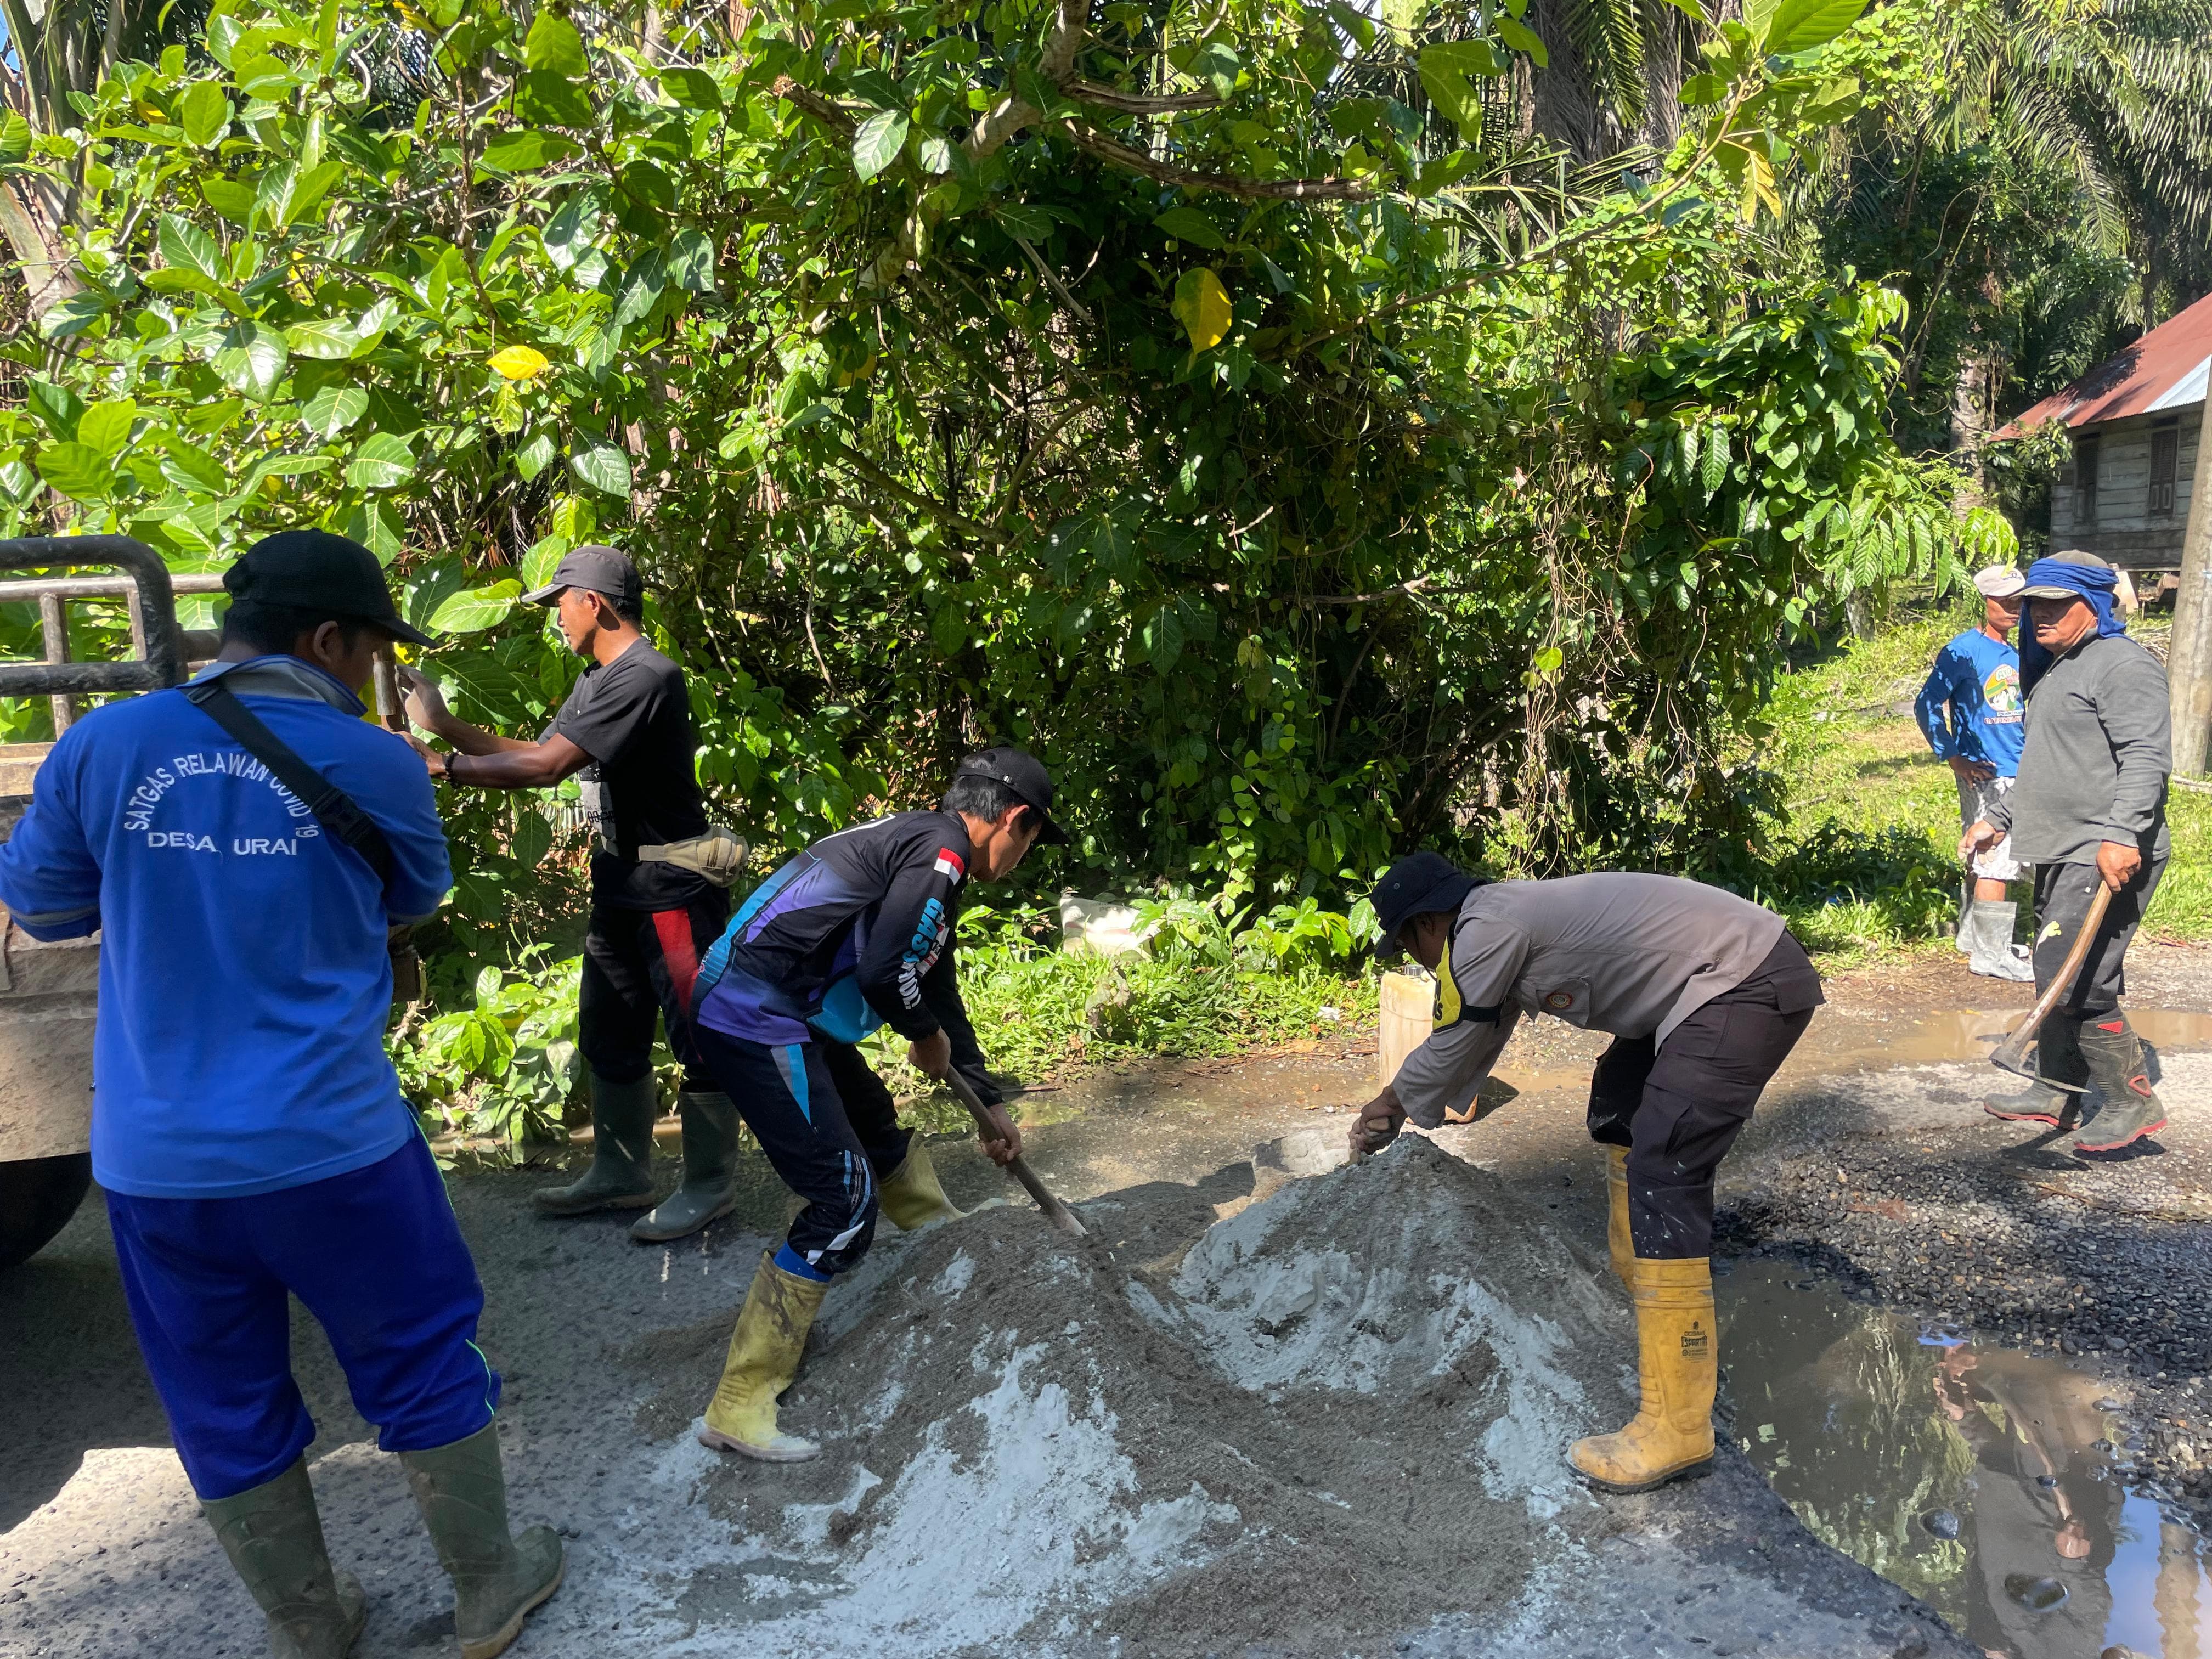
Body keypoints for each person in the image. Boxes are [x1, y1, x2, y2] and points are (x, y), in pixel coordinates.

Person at [0, 531, 562, 1659]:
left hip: (158, 1167)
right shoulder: (378, 762)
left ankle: (311, 1626)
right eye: (368, 653)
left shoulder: (102, 746)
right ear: (327, 642)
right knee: (418, 1354)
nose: (369, 675)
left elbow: (47, 911)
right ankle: (490, 1588)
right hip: (335, 1145)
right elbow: (414, 895)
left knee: (220, 1399)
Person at [1345, 854, 1822, 1494]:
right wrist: (1409, 1105)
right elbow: (1483, 1032)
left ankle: (1678, 1425)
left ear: (1429, 922)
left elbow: (1461, 1034)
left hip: (1742, 980)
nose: (1418, 958)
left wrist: (1391, 1103)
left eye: (1408, 942)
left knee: (1666, 1166)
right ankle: (1647, 1294)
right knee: (1621, 1108)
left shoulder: (1485, 931)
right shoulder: (1495, 922)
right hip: (1705, 982)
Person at [689, 748, 1064, 1462]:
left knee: (878, 1128)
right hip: (752, 1013)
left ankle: (937, 1239)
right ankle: (740, 1402)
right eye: (1031, 842)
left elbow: (932, 977)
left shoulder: (926, 845)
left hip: (785, 1011)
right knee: (845, 1198)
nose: (1021, 857)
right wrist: (922, 1037)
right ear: (1014, 820)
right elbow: (888, 970)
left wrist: (985, 1098)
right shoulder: (942, 855)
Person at [402, 545, 744, 1243]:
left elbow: (545, 767)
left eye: (560, 601)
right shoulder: (600, 678)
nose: (554, 616)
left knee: (699, 1034)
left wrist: (443, 766)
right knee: (609, 1026)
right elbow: (536, 752)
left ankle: (711, 1185)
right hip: (622, 882)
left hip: (672, 886)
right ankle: (622, 1174)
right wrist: (441, 728)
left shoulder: (648, 676)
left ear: (595, 602)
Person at [1966, 551, 2172, 1154]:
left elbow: (2146, 759)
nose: (2040, 617)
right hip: (2061, 846)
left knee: (2080, 981)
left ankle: (2134, 1102)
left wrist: (2122, 835)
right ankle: (2059, 1089)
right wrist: (1998, 820)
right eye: (2034, 605)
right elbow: (2045, 766)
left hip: (2102, 848)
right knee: (2054, 970)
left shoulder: (2122, 666)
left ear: (2095, 605)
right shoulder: (2060, 668)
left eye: (2057, 604)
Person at [1916, 565, 2033, 981]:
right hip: (1987, 771)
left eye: (2021, 599)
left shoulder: (2030, 647)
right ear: (1983, 602)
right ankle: (1990, 954)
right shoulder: (1964, 650)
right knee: (1992, 856)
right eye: (2006, 601)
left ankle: (1973, 934)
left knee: (1989, 854)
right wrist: (1954, 757)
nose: (2015, 608)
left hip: (2025, 768)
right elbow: (1926, 705)